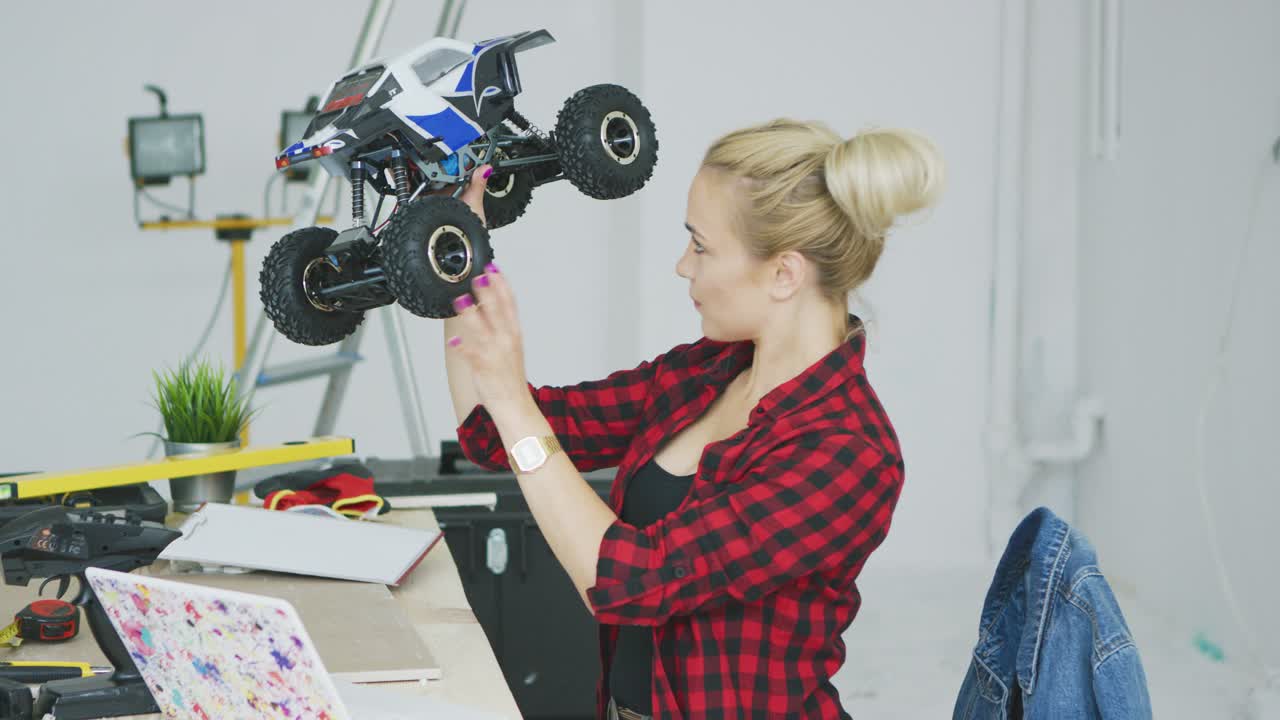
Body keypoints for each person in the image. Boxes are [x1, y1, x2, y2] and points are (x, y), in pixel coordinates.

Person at [444, 118, 945, 719]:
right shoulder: (699, 375)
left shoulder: (846, 452)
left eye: (701, 246)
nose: (684, 266)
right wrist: (454, 252)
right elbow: (493, 433)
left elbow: (631, 583)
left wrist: (511, 399)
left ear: (785, 273)